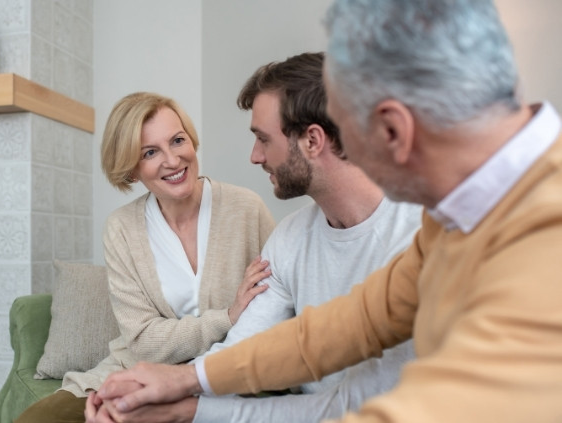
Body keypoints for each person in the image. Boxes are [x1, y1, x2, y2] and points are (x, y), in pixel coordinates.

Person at [92, 0, 562, 422]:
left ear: (392, 129)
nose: (345, 149)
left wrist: (188, 410)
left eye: (348, 127)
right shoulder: (455, 219)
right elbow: (346, 326)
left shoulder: (544, 243)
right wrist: (185, 383)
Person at [85, 52, 422, 423]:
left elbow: (353, 406)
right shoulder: (291, 238)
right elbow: (240, 350)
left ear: (312, 140)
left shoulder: (420, 236)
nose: (254, 156)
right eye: (150, 151)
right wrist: (152, 394)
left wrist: (183, 405)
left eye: (263, 139)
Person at [15, 92, 275, 423]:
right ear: (132, 169)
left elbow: (282, 301)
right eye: (150, 152)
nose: (172, 159)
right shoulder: (122, 228)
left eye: (178, 140)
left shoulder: (246, 209)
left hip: (229, 370)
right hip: (139, 372)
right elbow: (143, 342)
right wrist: (227, 316)